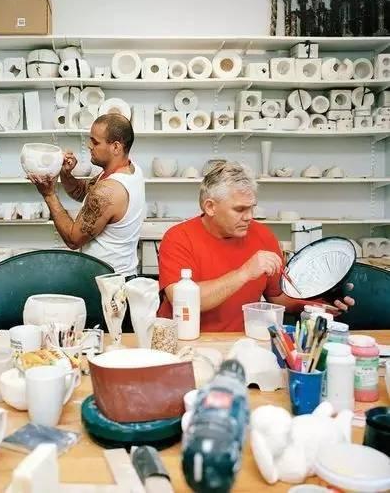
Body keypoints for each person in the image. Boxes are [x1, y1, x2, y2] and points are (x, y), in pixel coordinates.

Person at [157, 160, 354, 332]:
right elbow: (183, 301)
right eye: (240, 209)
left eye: (252, 207)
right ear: (210, 207)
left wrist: (320, 302)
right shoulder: (178, 238)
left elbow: (278, 298)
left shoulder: (264, 236)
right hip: (185, 339)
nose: (249, 217)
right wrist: (244, 273)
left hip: (242, 342)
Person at [28, 113, 145, 279]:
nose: (90, 146)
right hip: (116, 278)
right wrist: (66, 174)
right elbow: (83, 192)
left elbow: (73, 240)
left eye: (95, 142)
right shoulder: (131, 170)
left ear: (116, 147)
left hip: (110, 285)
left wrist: (49, 195)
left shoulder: (110, 190)